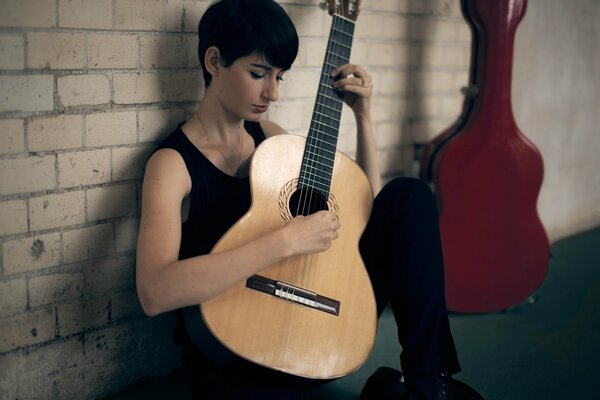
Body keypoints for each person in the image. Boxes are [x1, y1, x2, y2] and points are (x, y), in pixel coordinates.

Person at [136, 0, 484, 399]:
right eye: (258, 73)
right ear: (214, 61)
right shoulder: (173, 164)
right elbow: (155, 292)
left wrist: (363, 116)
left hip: (321, 330)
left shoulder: (271, 138)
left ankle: (428, 383)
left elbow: (361, 212)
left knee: (408, 195)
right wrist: (282, 242)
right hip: (235, 356)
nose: (273, 93)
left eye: (280, 77)